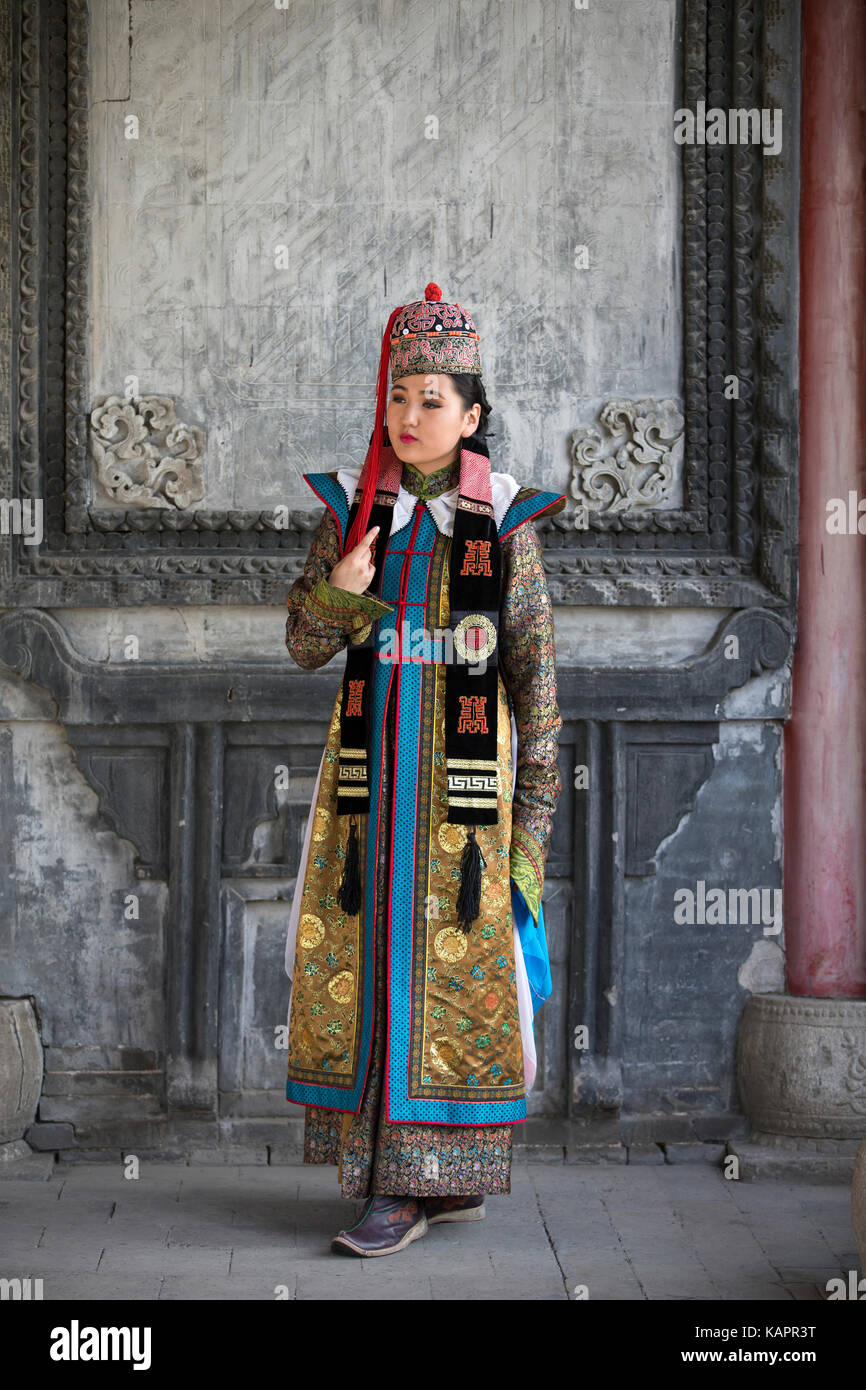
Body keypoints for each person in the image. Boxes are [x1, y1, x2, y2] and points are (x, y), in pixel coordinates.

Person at [283, 282, 566, 1257]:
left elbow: (537, 702)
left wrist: (525, 844)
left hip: (465, 822)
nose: (408, 418)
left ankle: (419, 1184)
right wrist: (341, 589)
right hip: (366, 808)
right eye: (398, 397)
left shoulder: (507, 531)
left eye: (431, 401)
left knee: (444, 984)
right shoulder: (352, 513)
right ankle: (399, 1182)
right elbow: (304, 647)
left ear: (472, 414)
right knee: (372, 980)